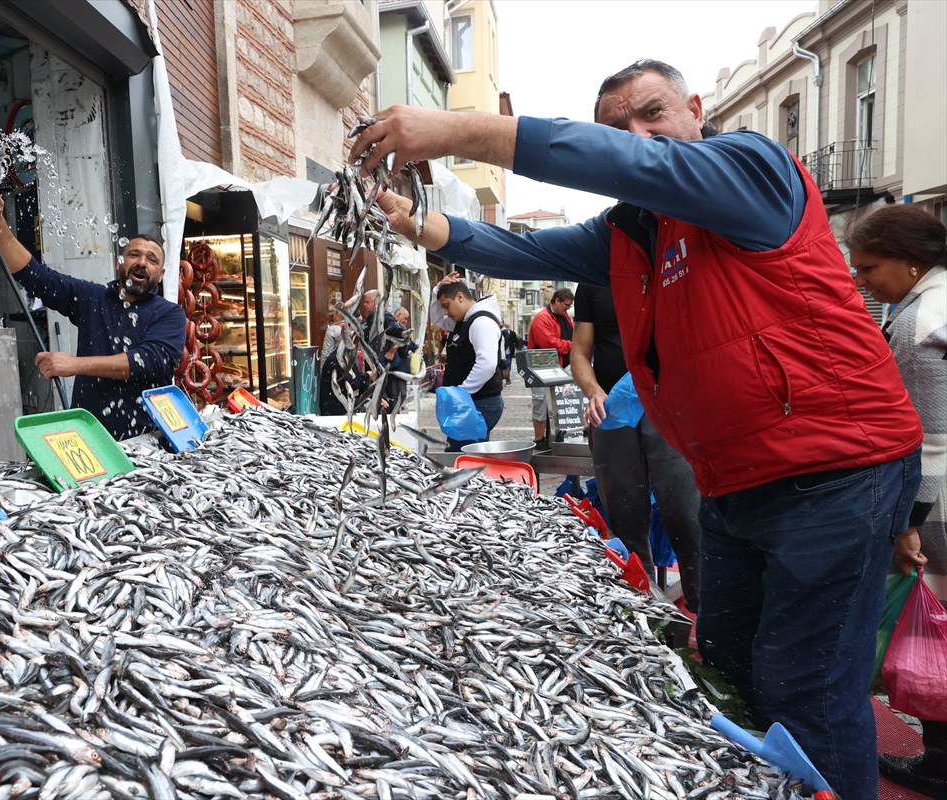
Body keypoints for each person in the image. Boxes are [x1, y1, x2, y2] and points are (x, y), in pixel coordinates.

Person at [352, 59, 923, 799]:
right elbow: (528, 252)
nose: (638, 135)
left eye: (652, 113)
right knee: (725, 657)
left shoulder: (749, 170)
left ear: (695, 108)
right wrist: (419, 224)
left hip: (836, 470)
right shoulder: (631, 231)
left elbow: (629, 160)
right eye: (617, 126)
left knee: (806, 685)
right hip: (735, 478)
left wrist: (454, 130)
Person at [846, 204, 947, 799]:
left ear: (911, 263)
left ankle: (938, 763)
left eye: (870, 267)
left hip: (941, 503)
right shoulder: (930, 300)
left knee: (938, 620)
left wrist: (909, 524)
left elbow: (932, 441)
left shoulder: (919, 322)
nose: (862, 280)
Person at [0, 191, 186, 441]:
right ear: (119, 263)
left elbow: (144, 362)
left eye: (152, 260)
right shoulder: (93, 298)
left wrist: (74, 365)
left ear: (160, 275)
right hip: (89, 437)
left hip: (148, 441)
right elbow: (34, 275)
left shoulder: (171, 314)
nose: (142, 262)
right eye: (133, 255)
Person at [572, 283, 702, 613]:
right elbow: (580, 352)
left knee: (687, 517)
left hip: (671, 407)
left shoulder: (670, 266)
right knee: (624, 520)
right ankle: (638, 616)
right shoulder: (591, 282)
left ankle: (707, 617)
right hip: (612, 414)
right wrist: (594, 392)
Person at [431, 273, 504, 451]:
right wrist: (436, 291)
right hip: (473, 401)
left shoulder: (481, 322)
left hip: (479, 402)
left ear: (460, 297)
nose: (445, 312)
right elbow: (437, 320)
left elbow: (486, 364)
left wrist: (461, 392)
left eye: (447, 306)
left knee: (461, 455)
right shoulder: (465, 320)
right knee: (466, 454)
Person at [527, 288, 574, 449]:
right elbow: (550, 343)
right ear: (557, 301)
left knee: (558, 403)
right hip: (541, 368)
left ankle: (554, 436)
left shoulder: (564, 316)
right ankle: (539, 439)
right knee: (540, 403)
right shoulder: (542, 318)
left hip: (559, 367)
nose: (568, 308)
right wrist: (572, 345)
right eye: (566, 305)